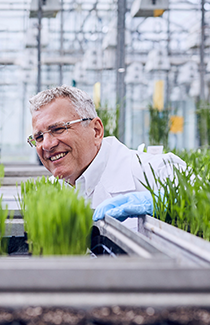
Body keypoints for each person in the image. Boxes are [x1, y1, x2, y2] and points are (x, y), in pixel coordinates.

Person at [28, 85, 186, 224]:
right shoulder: (47, 192)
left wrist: (170, 201)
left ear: (96, 131)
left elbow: (205, 196)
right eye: (39, 137)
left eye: (58, 129)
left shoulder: (153, 170)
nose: (47, 145)